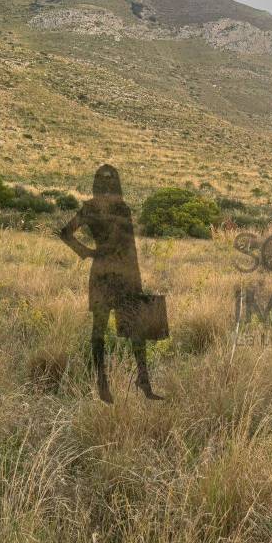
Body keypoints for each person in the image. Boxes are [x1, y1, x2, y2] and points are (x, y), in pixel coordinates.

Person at [59, 165, 163, 401]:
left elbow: (130, 246)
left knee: (133, 327)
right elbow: (66, 233)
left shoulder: (117, 207)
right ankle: (103, 383)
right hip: (110, 273)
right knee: (100, 329)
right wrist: (87, 252)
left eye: (110, 179)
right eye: (104, 179)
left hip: (121, 273)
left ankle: (142, 380)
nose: (107, 183)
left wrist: (89, 252)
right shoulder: (99, 207)